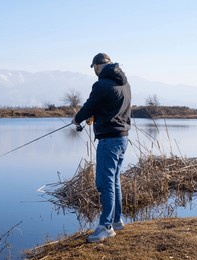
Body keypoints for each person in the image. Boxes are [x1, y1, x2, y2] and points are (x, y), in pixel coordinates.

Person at [72, 53, 131, 243]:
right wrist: (95, 115)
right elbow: (111, 106)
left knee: (105, 183)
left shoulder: (101, 84)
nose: (94, 71)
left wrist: (77, 118)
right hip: (123, 138)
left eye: (94, 68)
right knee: (114, 181)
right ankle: (116, 221)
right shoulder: (125, 83)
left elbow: (90, 105)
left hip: (109, 141)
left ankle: (106, 227)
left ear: (98, 66)